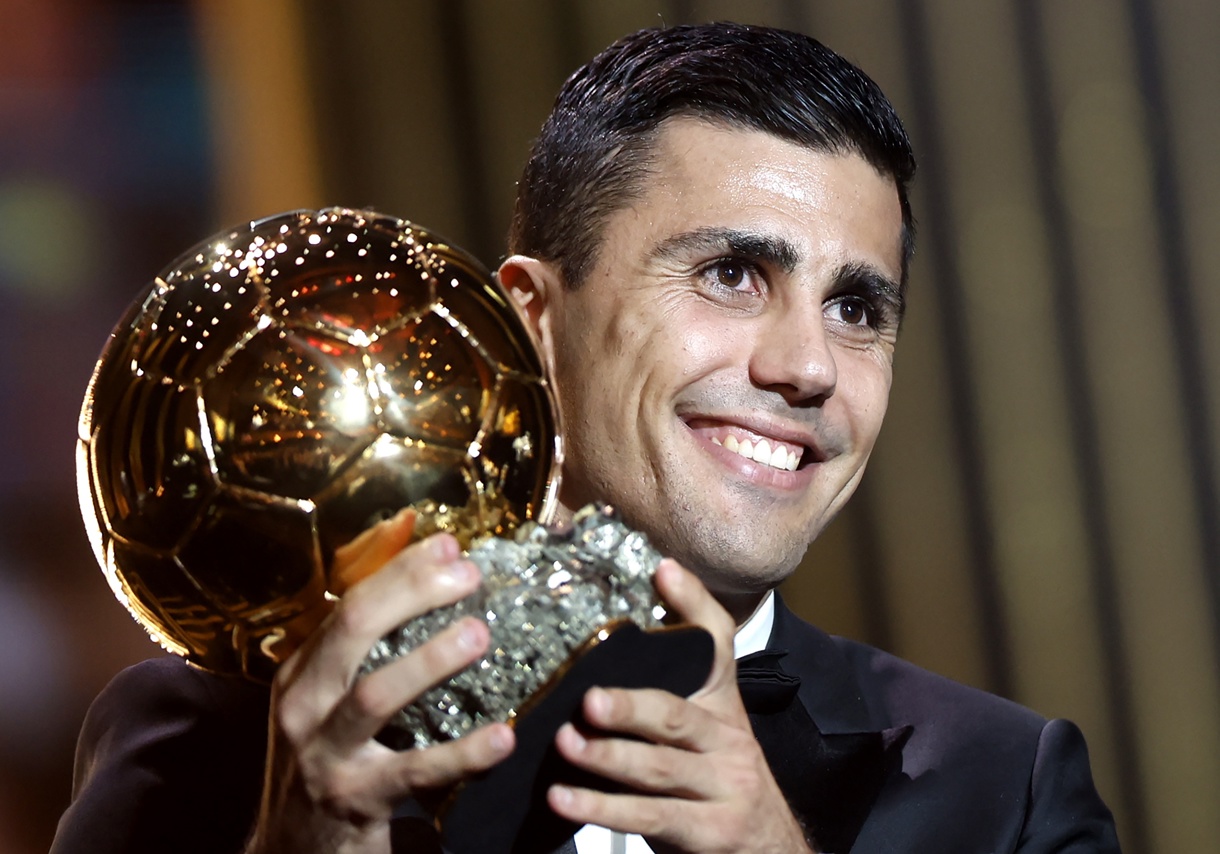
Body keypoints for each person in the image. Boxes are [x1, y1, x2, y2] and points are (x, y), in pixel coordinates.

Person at [51, 21, 1120, 854]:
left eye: (856, 309)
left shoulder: (1002, 785)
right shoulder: (211, 740)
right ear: (529, 320)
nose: (806, 365)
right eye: (731, 274)